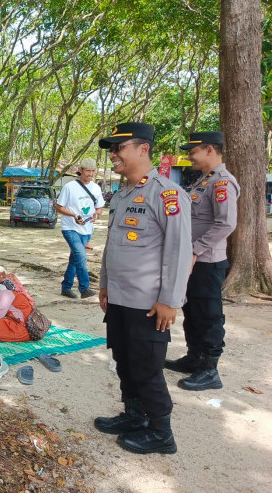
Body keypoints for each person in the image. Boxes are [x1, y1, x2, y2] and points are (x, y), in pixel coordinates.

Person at [95, 122, 192, 455]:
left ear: (143, 149)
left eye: (119, 148)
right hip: (120, 298)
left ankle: (162, 433)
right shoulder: (122, 194)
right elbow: (113, 246)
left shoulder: (166, 194)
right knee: (124, 360)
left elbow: (179, 251)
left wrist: (170, 300)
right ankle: (134, 416)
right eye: (111, 149)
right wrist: (105, 284)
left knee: (147, 368)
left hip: (148, 302)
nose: (113, 154)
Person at [164, 131, 239, 391]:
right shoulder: (204, 181)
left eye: (192, 151)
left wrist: (196, 250)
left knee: (208, 314)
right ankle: (193, 358)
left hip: (207, 262)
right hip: (194, 261)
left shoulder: (222, 183)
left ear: (209, 150)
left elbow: (226, 223)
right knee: (192, 311)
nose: (189, 156)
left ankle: (210, 370)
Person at [55, 158, 105, 299]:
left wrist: (97, 214)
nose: (90, 174)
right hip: (70, 228)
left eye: (93, 171)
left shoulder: (96, 188)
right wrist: (74, 215)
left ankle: (66, 287)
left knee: (75, 259)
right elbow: (59, 207)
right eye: (88, 171)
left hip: (87, 229)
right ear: (81, 170)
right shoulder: (70, 187)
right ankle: (84, 288)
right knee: (81, 256)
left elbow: (100, 207)